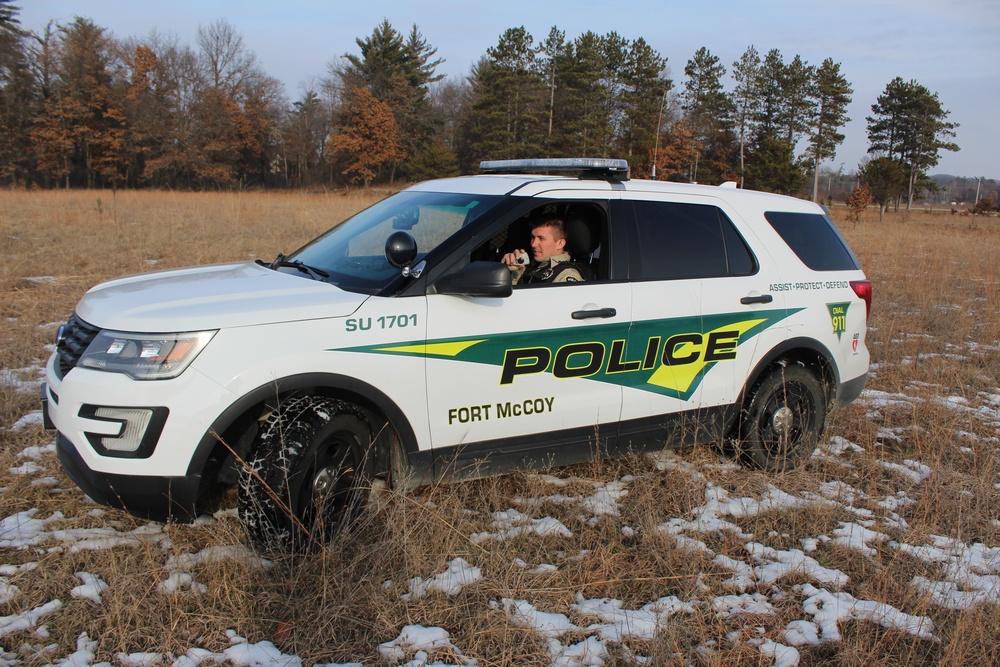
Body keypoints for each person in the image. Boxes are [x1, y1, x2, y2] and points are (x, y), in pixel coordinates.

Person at [501, 218, 585, 285]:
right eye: (533, 237)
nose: (533, 244)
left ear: (560, 243)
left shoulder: (566, 275)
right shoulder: (531, 265)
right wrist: (512, 270)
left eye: (541, 238)